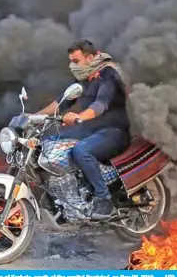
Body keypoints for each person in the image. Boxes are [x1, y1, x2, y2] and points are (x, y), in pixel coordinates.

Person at [36, 39, 131, 220]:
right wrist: (34, 117)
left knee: (81, 151)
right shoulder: (83, 76)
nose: (72, 66)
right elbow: (62, 102)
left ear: (91, 57)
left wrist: (79, 117)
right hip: (90, 130)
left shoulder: (108, 75)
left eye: (76, 61)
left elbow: (100, 105)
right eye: (71, 61)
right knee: (49, 143)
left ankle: (104, 199)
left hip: (113, 131)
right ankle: (62, 197)